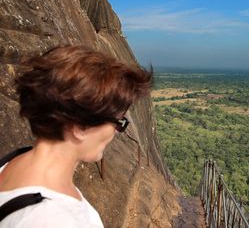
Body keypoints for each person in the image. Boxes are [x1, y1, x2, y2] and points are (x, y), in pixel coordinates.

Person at [0, 45, 152, 227]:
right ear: (80, 127)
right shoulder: (58, 220)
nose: (116, 132)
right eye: (118, 123)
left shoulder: (12, 163)